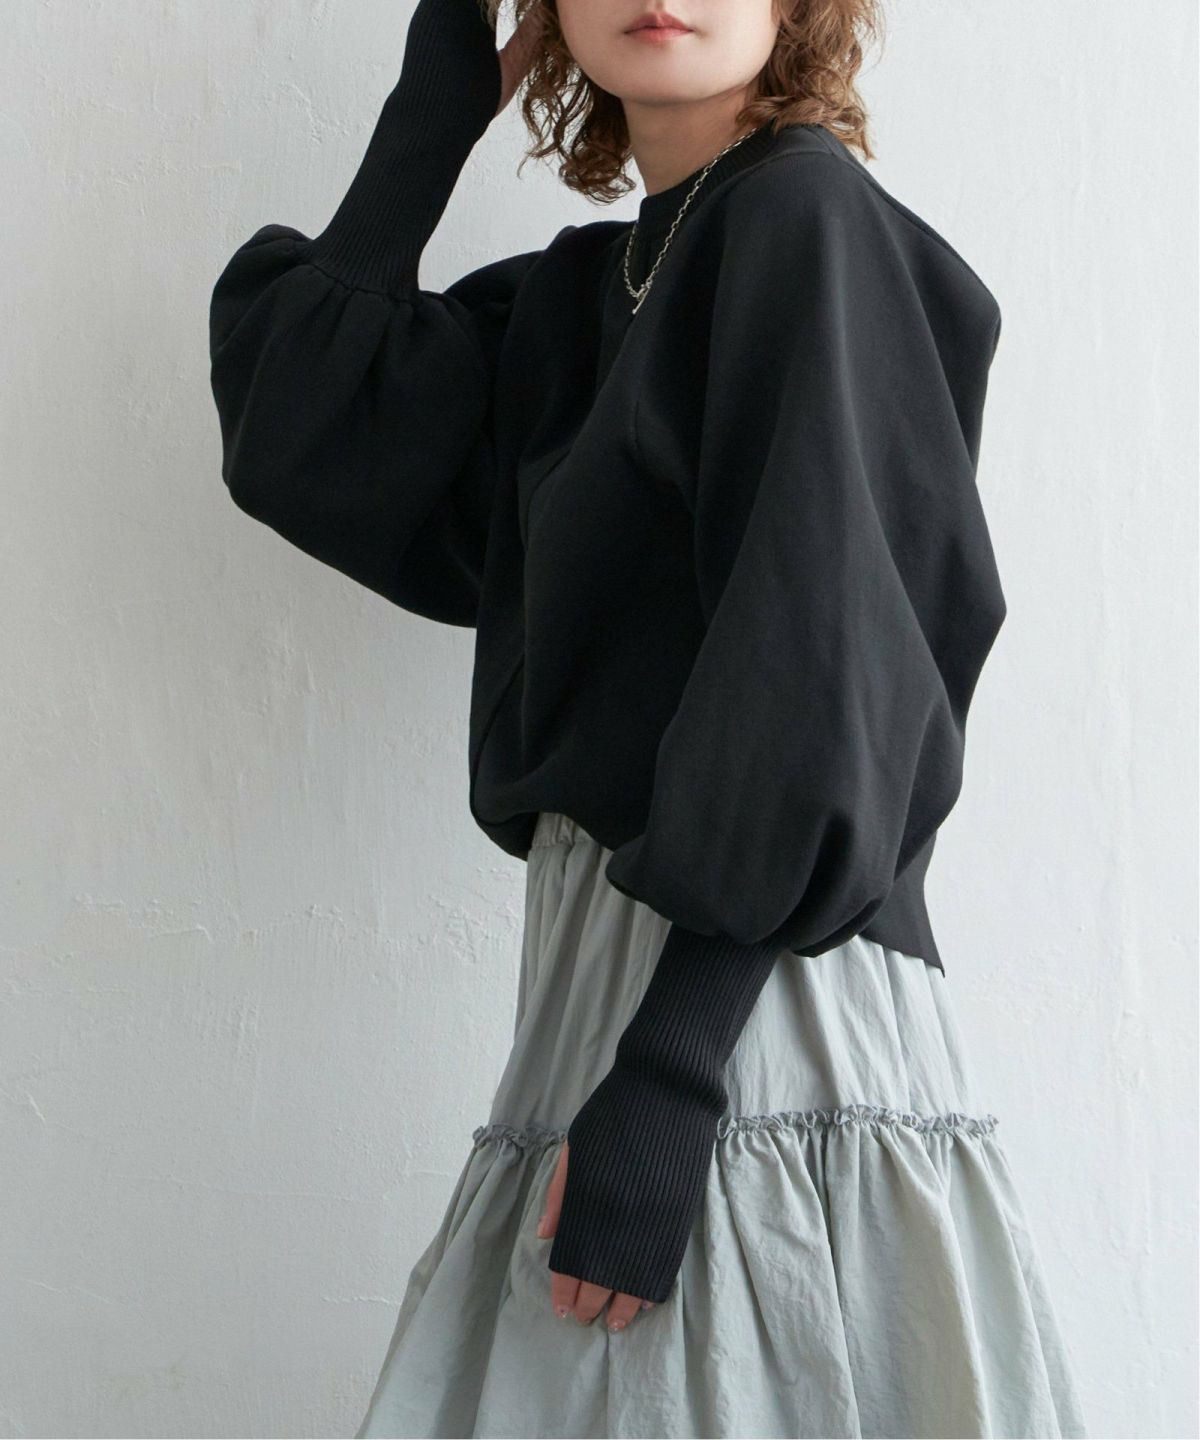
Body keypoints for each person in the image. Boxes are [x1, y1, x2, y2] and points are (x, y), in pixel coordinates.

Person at [208, 0, 1089, 1435]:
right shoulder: (581, 298)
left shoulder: (805, 217)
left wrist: (674, 1072)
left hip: (748, 1005)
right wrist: (432, 118)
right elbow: (302, 436)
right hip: (594, 1001)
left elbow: (829, 666)